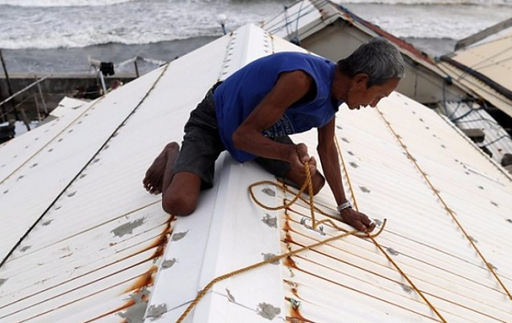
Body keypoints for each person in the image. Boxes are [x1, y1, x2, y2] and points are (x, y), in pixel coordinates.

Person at [143, 38, 404, 232]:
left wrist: (344, 208)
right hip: (215, 120)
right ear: (360, 80)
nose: (373, 104)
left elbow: (327, 148)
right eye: (378, 96)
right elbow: (240, 136)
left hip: (260, 127)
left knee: (314, 184)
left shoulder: (335, 94)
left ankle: (261, 153)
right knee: (179, 203)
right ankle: (172, 153)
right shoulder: (302, 79)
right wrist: (287, 152)